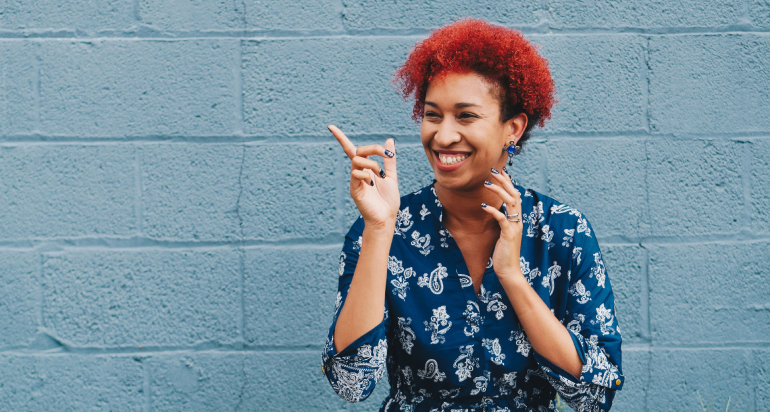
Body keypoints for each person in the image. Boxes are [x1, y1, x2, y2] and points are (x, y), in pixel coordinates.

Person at [321, 18, 624, 412]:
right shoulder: (381, 230)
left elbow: (594, 397)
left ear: (511, 129)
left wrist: (513, 278)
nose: (444, 136)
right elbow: (351, 382)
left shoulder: (562, 232)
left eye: (466, 116)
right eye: (433, 115)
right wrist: (380, 229)